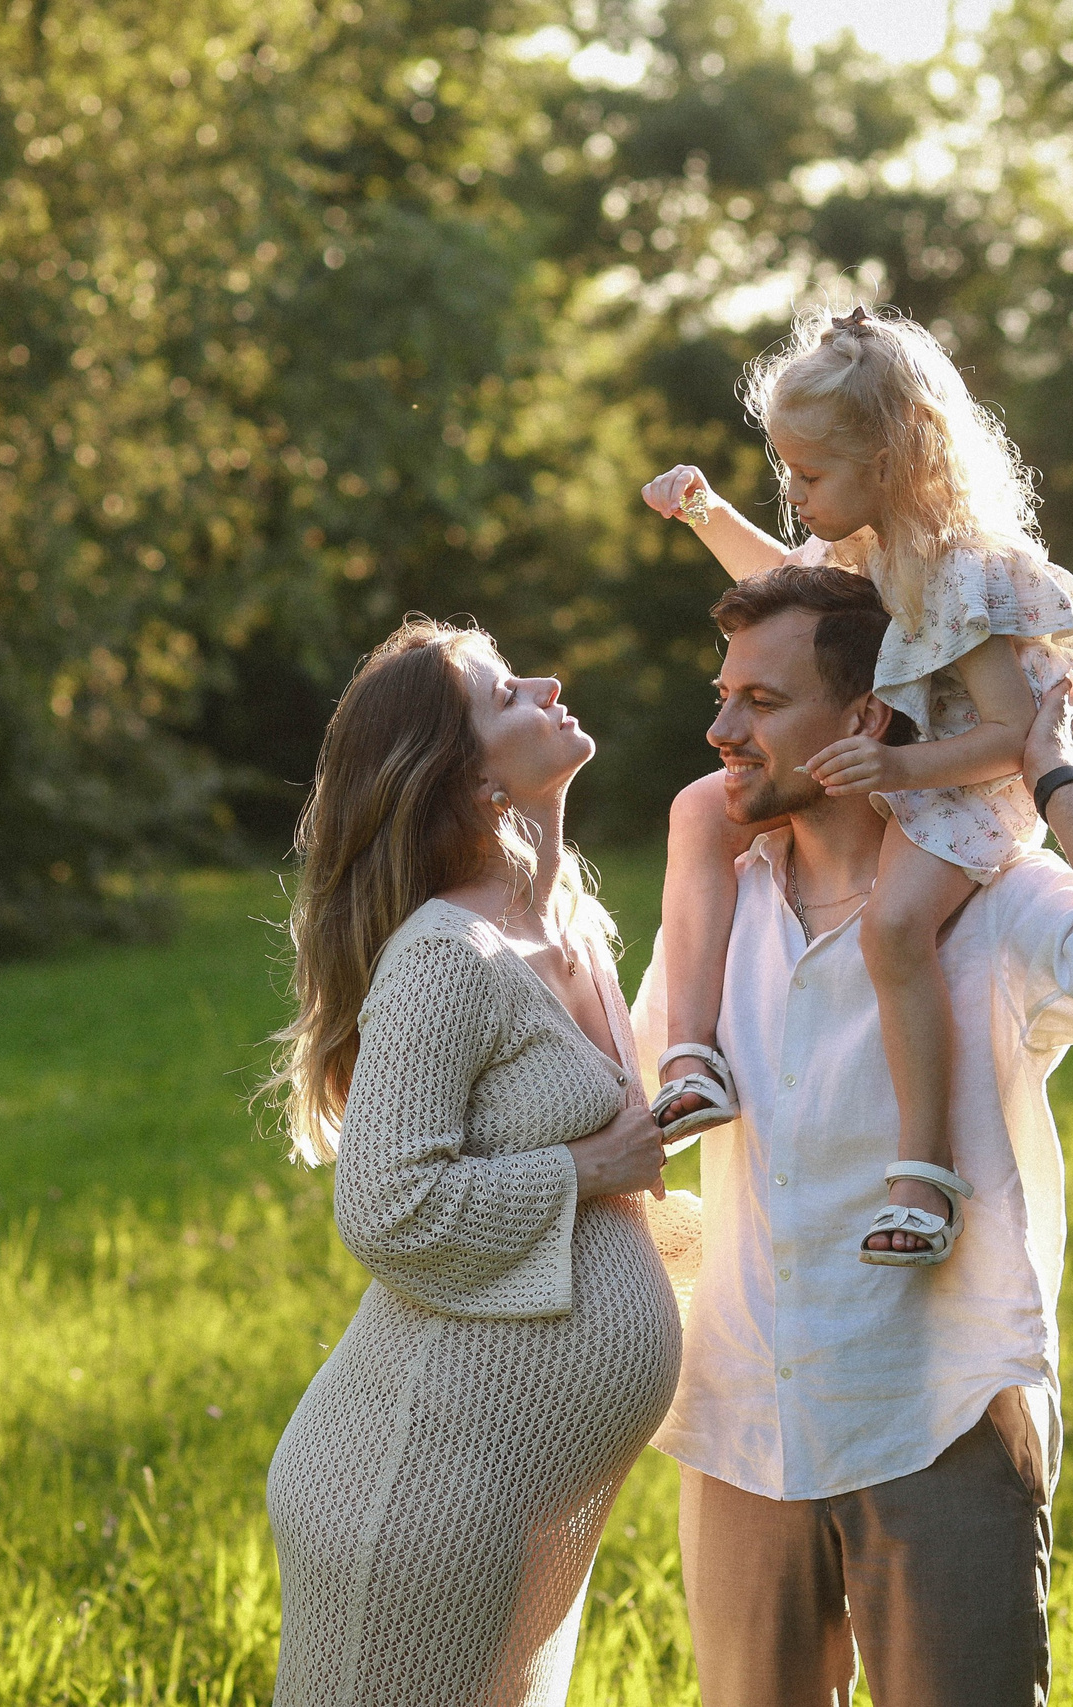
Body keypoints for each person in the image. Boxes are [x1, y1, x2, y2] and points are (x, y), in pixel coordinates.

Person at [630, 565, 1073, 1706]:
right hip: (747, 1415)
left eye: (760, 703)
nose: (719, 730)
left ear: (865, 721)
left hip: (934, 1413)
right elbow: (635, 1083)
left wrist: (1046, 770)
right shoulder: (719, 906)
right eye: (724, 694)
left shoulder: (994, 906)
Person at [262, 618, 700, 1707]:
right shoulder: (445, 960)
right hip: (411, 1496)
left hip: (518, 1495)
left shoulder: (572, 922)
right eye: (508, 696)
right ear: (465, 779)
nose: (550, 686)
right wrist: (591, 1170)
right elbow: (387, 1209)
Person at [640, 305, 1073, 1268]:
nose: (796, 494)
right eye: (787, 471)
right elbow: (784, 595)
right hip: (887, 765)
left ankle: (922, 1166)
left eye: (811, 474)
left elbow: (1008, 734)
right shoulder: (858, 553)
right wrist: (703, 513)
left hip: (964, 784)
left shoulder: (959, 572)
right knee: (701, 808)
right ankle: (690, 1054)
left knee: (894, 928)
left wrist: (899, 769)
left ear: (893, 461)